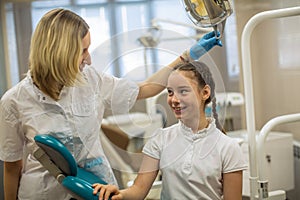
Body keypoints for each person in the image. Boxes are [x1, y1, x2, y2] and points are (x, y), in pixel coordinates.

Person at [0, 8, 221, 200]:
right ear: (60, 54)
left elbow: (145, 88)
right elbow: (11, 168)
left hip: (99, 189)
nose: (89, 59)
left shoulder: (91, 79)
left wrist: (187, 56)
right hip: (44, 193)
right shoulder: (14, 102)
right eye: (82, 51)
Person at [93, 61, 247, 200]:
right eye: (170, 92)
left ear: (205, 93)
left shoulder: (227, 147)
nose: (174, 99)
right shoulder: (161, 139)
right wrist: (119, 194)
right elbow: (138, 190)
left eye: (183, 91)